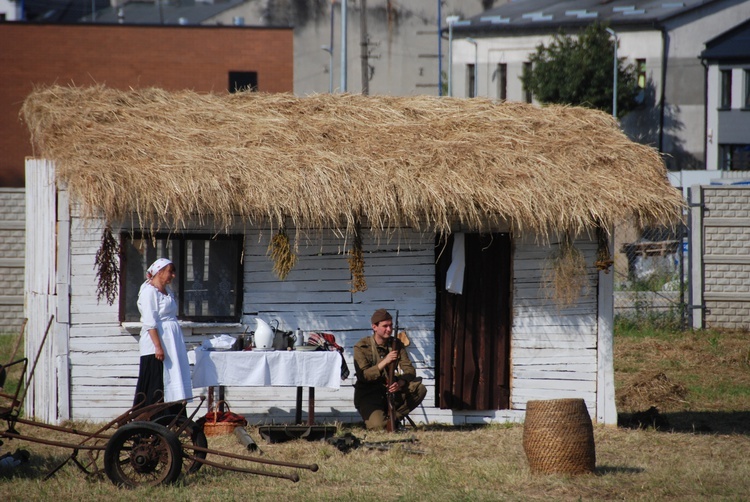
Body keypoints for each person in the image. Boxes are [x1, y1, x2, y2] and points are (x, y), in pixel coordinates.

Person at [133, 258, 192, 414]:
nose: (173, 276)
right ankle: (153, 418)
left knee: (172, 377)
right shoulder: (149, 292)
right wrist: (158, 346)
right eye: (170, 272)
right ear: (159, 272)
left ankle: (173, 415)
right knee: (157, 381)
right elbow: (149, 322)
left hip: (171, 343)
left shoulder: (167, 292)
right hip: (156, 344)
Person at [353, 308, 427, 430]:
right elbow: (364, 376)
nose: (389, 329)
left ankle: (394, 419)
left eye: (391, 325)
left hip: (392, 389)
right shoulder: (362, 347)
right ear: (374, 327)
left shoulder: (396, 344)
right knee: (378, 427)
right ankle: (382, 421)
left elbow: (410, 370)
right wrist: (385, 361)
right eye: (385, 326)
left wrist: (401, 383)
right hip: (370, 392)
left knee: (420, 389)